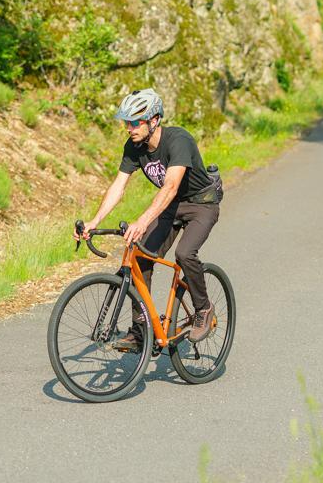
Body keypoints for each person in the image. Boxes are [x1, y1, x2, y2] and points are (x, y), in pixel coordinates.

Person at [75, 88, 223, 350]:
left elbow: (170, 186)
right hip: (172, 206)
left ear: (154, 120)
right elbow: (118, 186)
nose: (129, 128)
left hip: (202, 204)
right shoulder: (134, 147)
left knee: (185, 253)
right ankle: (141, 331)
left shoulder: (179, 140)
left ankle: (203, 308)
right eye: (126, 122)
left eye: (134, 122)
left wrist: (142, 221)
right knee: (140, 257)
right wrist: (94, 221)